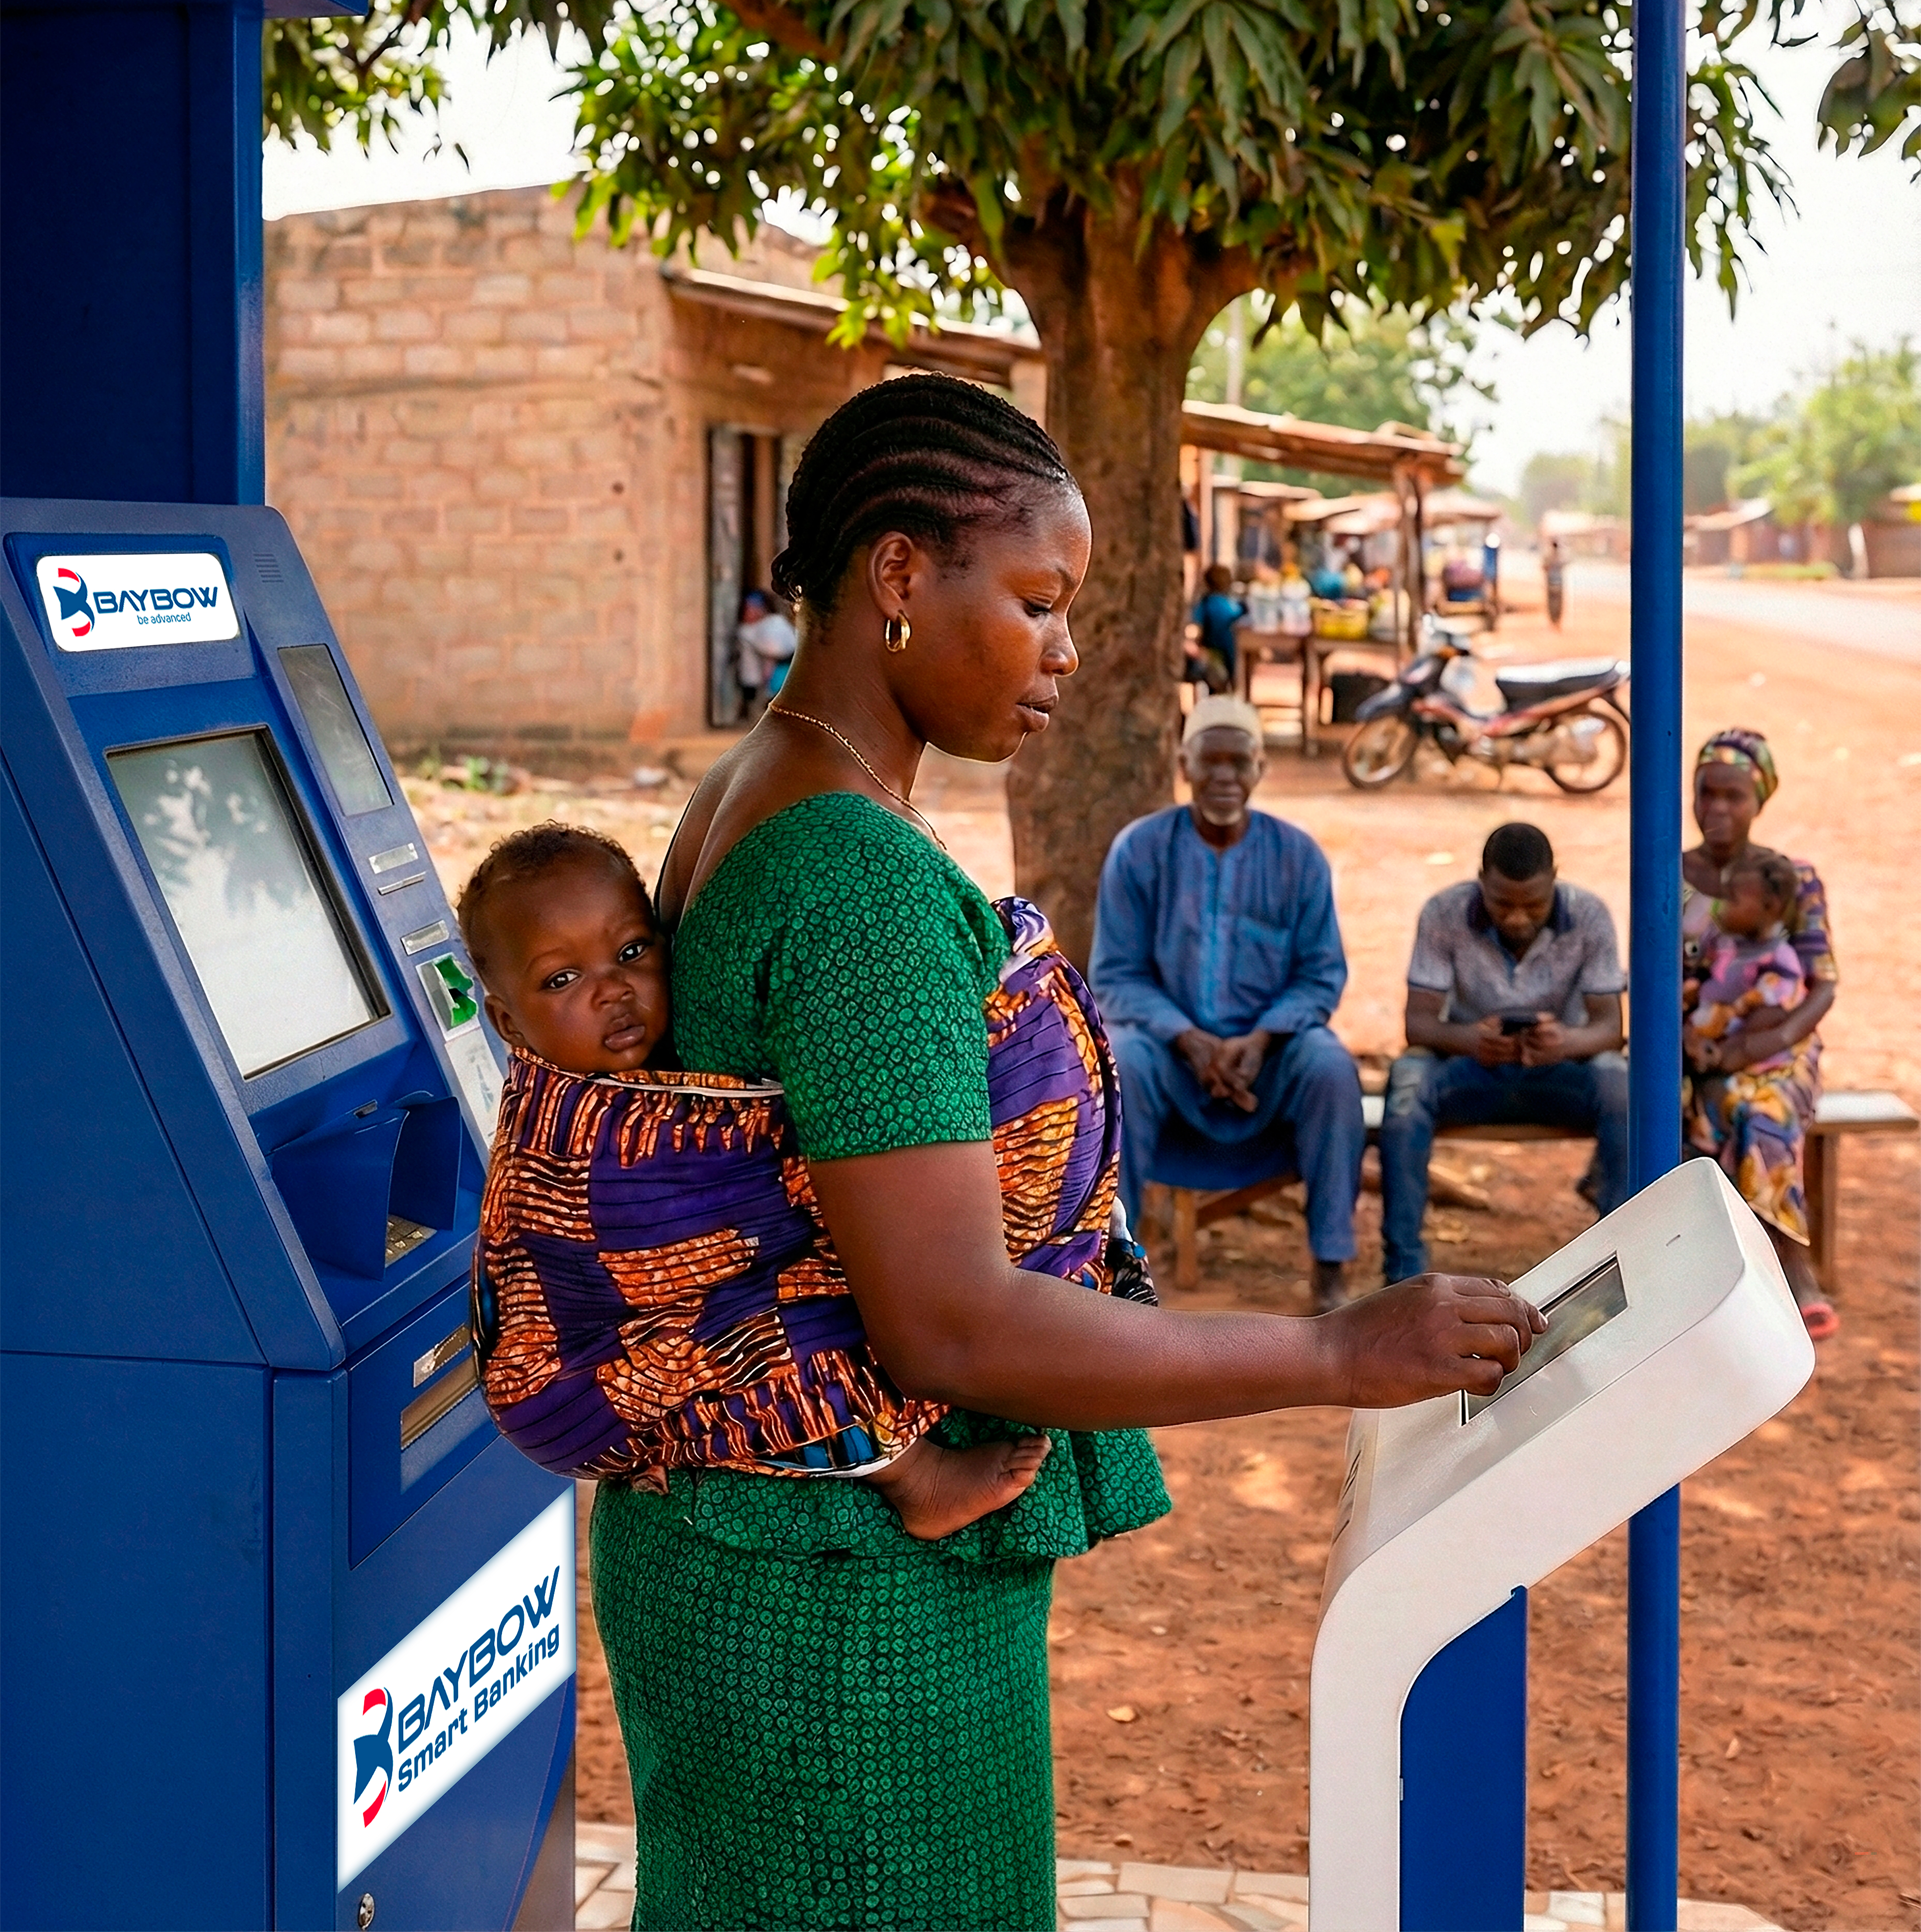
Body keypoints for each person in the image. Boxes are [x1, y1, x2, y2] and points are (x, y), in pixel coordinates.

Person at [591, 372, 1542, 1930]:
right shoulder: (855, 882)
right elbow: (953, 1319)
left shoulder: (756, 789)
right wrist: (1327, 1345)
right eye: (1037, 601)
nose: (1068, 654)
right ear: (899, 573)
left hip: (752, 1554)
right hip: (845, 1630)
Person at [458, 820, 1050, 1539]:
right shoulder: (562, 1131)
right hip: (575, 1370)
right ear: (508, 1025)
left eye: (632, 950)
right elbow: (590, 1248)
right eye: (561, 978)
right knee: (776, 1345)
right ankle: (911, 1475)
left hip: (662, 1331)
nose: (612, 990)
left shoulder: (666, 1063)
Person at [1090, 694, 1370, 1313]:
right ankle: (1118, 1267)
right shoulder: (1139, 851)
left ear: (1260, 769)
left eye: (1238, 764)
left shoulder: (1297, 857)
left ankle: (1330, 1266)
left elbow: (1321, 974)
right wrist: (1189, 1040)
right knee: (1123, 1064)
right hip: (1170, 1062)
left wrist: (1263, 1038)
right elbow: (1116, 976)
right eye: (1209, 763)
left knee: (1328, 1068)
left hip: (1269, 1063)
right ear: (1184, 764)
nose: (1224, 779)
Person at [1376, 821, 1629, 1286]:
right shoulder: (1443, 912)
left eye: (1533, 904)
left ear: (1555, 879)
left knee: (1621, 1089)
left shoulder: (1589, 915)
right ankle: (1403, 1271)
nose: (1516, 917)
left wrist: (1564, 1043)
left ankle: (1615, 1261)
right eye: (1502, 903)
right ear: (1480, 880)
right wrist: (1471, 1039)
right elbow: (1418, 1024)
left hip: (1560, 1071)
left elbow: (1611, 1028)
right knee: (1406, 1090)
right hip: (1471, 1068)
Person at [1682, 729, 1839, 1337]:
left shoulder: (1788, 879)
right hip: (1697, 1043)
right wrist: (1692, 1042)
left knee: (1761, 1107)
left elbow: (1822, 983)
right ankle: (1709, 1277)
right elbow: (1659, 974)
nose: (1718, 808)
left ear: (1760, 800)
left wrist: (1759, 1047)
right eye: (1706, 794)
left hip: (1778, 1043)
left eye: (1734, 796)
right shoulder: (1673, 876)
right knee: (1670, 1106)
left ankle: (1791, 1266)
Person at [1684, 847, 1805, 1069]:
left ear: (1770, 907)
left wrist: (1719, 1054)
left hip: (1751, 1065)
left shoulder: (1777, 963)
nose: (1720, 905)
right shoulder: (1723, 941)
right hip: (1703, 1044)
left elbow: (1766, 1020)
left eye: (1732, 898)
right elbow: (1691, 947)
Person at [734, 588, 797, 715]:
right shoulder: (750, 628)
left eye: (752, 609)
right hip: (752, 678)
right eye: (747, 609)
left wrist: (768, 669)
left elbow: (774, 650)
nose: (748, 613)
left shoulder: (774, 624)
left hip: (772, 677)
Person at [1188, 562, 1246, 688]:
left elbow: (1195, 626)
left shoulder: (1205, 603)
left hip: (1211, 653)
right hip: (1227, 656)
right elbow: (1240, 614)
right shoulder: (1230, 605)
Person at [1543, 534, 1566, 628]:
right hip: (1558, 583)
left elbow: (1544, 568)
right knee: (1558, 603)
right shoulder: (1561, 557)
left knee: (1552, 603)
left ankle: (1554, 621)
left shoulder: (1548, 557)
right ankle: (1556, 621)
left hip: (1551, 582)